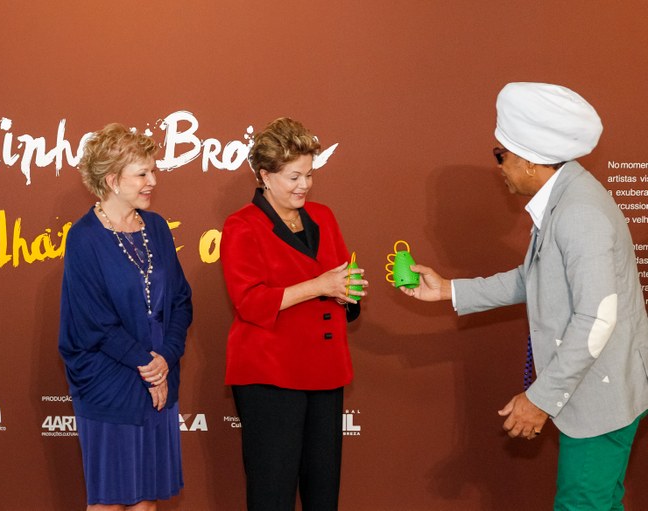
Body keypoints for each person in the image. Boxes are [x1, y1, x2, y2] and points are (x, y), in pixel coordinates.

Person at [402, 82, 648, 510]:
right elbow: (535, 277)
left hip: (600, 400)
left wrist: (540, 399)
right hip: (599, 392)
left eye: (502, 154)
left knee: (583, 505)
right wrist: (449, 290)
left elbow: (596, 319)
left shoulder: (578, 213)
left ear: (531, 161)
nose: (499, 165)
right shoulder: (565, 196)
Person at [220, 117, 368, 511]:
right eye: (293, 177)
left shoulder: (324, 216)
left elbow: (340, 283)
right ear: (264, 176)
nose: (304, 185)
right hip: (270, 375)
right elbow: (250, 302)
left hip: (326, 370)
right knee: (273, 492)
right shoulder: (241, 226)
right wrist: (320, 286)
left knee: (323, 492)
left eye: (309, 175)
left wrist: (347, 293)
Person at [58, 123, 193, 511]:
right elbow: (93, 324)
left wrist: (165, 359)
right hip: (108, 381)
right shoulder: (83, 238)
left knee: (146, 502)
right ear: (113, 180)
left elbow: (180, 301)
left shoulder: (157, 227)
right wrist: (149, 366)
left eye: (153, 170)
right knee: (109, 503)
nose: (153, 180)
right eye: (143, 173)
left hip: (159, 378)